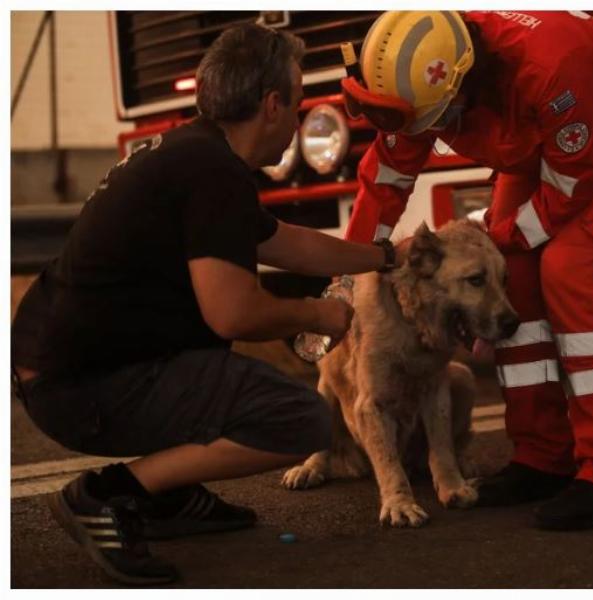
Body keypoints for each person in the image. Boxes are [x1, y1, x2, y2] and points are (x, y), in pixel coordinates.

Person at [10, 24, 397, 585]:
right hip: (77, 388)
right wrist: (316, 315)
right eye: (296, 104)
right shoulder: (213, 173)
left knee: (205, 355)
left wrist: (384, 256)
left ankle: (170, 499)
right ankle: (104, 496)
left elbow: (286, 241)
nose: (296, 120)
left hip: (59, 370)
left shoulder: (193, 151)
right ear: (270, 105)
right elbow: (233, 314)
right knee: (299, 419)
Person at [340, 10, 593, 531]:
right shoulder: (422, 78)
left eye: (435, 120)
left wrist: (493, 242)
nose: (429, 133)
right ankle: (542, 456)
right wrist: (350, 275)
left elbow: (570, 186)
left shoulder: (551, 68)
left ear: (462, 82)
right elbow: (386, 176)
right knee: (514, 280)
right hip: (544, 150)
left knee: (569, 274)